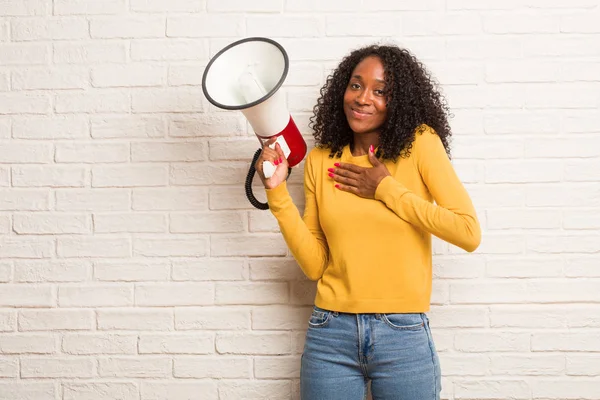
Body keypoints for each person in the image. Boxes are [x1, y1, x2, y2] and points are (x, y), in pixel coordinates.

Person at [255, 43, 481, 400]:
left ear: (400, 100)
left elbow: (468, 232)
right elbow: (315, 266)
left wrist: (386, 188)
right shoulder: (321, 159)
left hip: (402, 333)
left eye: (380, 91)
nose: (363, 98)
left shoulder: (420, 145)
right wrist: (277, 192)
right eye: (356, 85)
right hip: (330, 333)